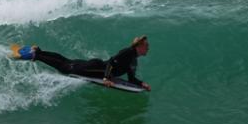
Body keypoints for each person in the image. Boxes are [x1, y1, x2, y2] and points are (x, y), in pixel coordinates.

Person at [13, 35, 151, 91]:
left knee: (67, 61)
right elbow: (111, 63)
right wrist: (107, 78)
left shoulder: (133, 60)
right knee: (66, 68)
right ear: (139, 46)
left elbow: (131, 77)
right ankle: (36, 55)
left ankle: (39, 51)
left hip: (95, 66)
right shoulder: (128, 52)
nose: (148, 48)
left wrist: (140, 84)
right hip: (95, 68)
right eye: (146, 46)